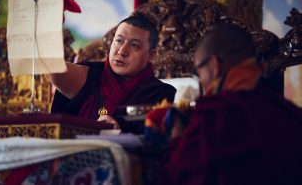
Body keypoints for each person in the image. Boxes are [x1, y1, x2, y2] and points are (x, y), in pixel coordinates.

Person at [156, 24, 302, 185]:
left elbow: (172, 178)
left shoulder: (216, 115)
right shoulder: (291, 112)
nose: (202, 80)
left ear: (213, 65)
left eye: (199, 71)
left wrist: (176, 135)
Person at [50, 14, 176, 131]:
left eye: (134, 45)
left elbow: (160, 145)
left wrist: (120, 134)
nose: (122, 51)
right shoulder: (90, 75)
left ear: (151, 55)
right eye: (119, 41)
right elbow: (52, 68)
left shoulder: (163, 95)